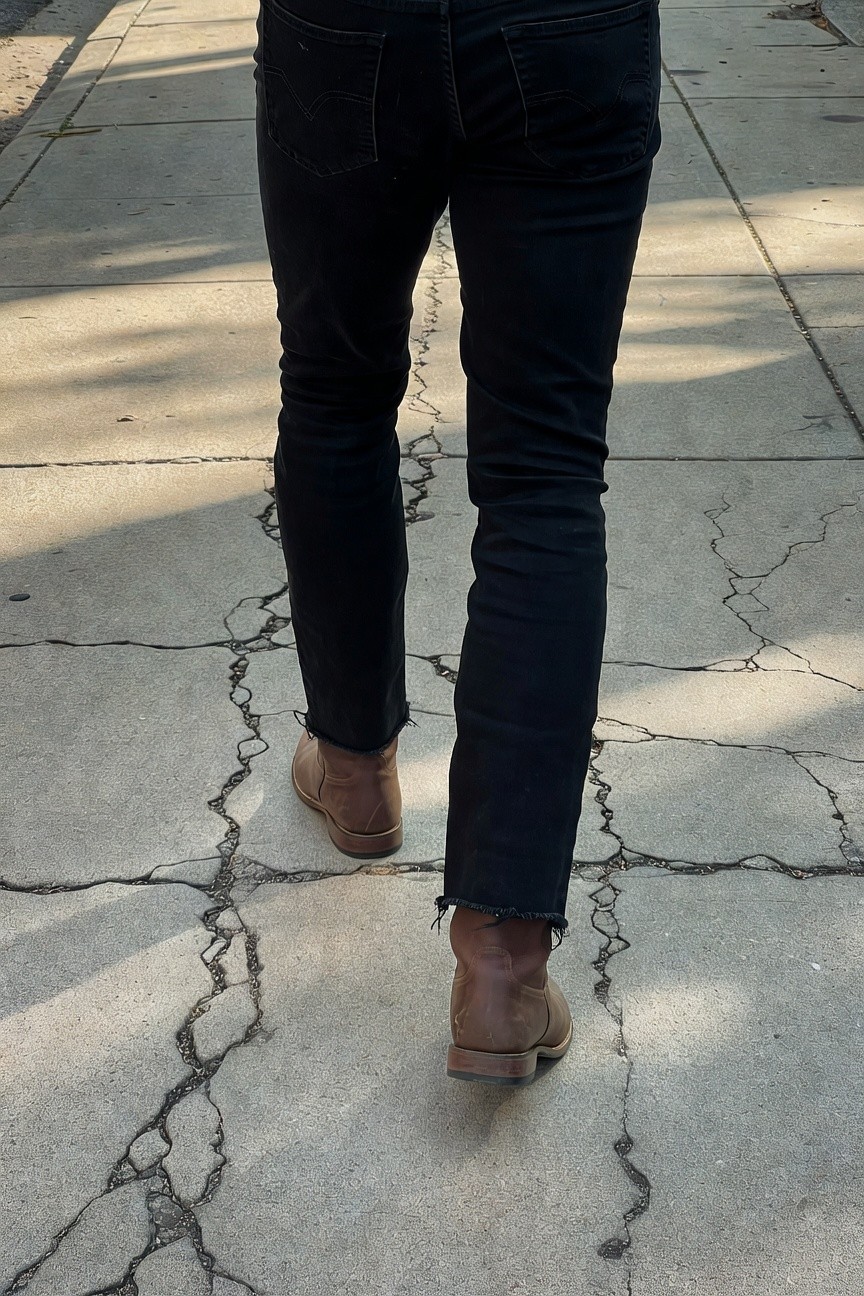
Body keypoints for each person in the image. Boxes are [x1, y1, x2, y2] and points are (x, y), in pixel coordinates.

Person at [254, 0, 661, 1085]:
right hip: (570, 26)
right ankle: (502, 969)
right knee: (544, 468)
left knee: (335, 396)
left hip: (348, 27)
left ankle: (355, 776)